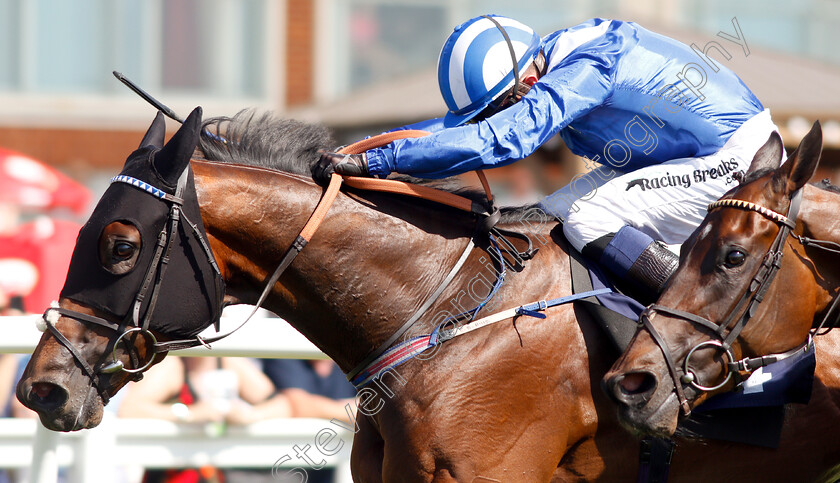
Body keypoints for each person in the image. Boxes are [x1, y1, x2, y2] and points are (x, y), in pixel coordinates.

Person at [314, 15, 778, 303]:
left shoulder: (589, 67)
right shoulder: (543, 64)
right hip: (689, 155)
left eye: (502, 105)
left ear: (530, 85)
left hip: (739, 158)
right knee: (545, 217)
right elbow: (463, 130)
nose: (500, 115)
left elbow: (504, 139)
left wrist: (384, 162)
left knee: (589, 218)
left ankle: (696, 325)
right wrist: (366, 153)